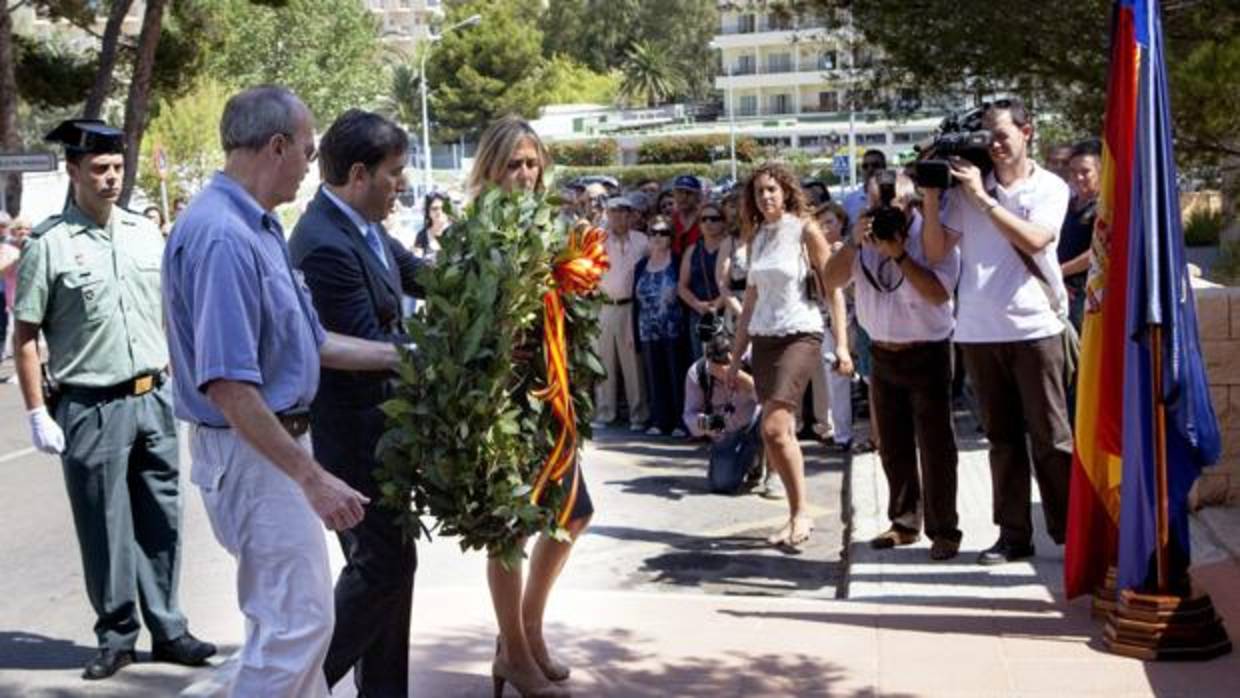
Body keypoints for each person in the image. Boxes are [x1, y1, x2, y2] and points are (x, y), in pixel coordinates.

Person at [163, 86, 403, 697]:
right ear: (276, 146)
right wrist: (311, 476)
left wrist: (411, 359)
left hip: (268, 449)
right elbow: (230, 386)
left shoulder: (257, 225)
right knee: (296, 628)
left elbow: (315, 342)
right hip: (256, 452)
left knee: (299, 626)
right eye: (306, 147)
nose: (309, 161)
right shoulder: (223, 236)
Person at [13, 119, 216, 681]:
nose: (110, 178)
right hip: (90, 405)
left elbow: (169, 311)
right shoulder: (49, 245)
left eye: (117, 168)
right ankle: (117, 633)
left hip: (153, 397)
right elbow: (25, 337)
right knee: (104, 525)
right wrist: (36, 412)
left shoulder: (143, 233)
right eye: (98, 169)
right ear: (74, 171)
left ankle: (169, 628)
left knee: (163, 517)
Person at [288, 109, 427, 698]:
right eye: (393, 174)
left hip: (383, 430)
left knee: (393, 571)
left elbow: (418, 273)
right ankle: (301, 685)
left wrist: (493, 284)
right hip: (354, 436)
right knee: (380, 570)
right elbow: (365, 341)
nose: (401, 184)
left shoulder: (365, 225)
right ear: (358, 174)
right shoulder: (323, 241)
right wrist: (449, 348)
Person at [922, 97, 1073, 566]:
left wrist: (983, 200)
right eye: (988, 137)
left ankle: (1071, 534)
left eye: (1003, 135)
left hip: (1035, 328)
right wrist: (932, 193)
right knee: (1003, 441)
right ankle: (1013, 536)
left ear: (1027, 132)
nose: (995, 146)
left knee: (1052, 437)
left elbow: (1034, 239)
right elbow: (934, 252)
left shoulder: (1049, 187)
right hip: (978, 331)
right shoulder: (967, 191)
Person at [467, 115, 577, 698]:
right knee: (507, 532)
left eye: (533, 163)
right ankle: (515, 652)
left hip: (549, 389)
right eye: (515, 163)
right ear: (492, 167)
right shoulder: (479, 229)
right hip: (501, 399)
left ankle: (524, 633)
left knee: (572, 513)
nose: (527, 174)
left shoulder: (548, 221)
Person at [824, 171, 963, 560]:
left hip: (928, 350)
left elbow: (938, 294)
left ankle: (944, 530)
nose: (884, 211)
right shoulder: (863, 239)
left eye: (893, 203)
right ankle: (904, 522)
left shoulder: (931, 236)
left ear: (913, 201)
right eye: (875, 204)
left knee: (937, 446)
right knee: (893, 445)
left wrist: (899, 253)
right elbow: (829, 282)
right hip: (882, 352)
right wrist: (854, 244)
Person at [728, 162, 832, 547]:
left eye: (772, 189)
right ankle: (794, 514)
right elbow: (750, 300)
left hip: (800, 332)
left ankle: (801, 512)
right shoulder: (757, 238)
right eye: (759, 192)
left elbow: (832, 283)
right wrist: (737, 358)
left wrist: (845, 345)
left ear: (786, 190)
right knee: (779, 435)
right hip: (764, 337)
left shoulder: (805, 230)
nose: (766, 197)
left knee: (773, 427)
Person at [594, 195, 650, 431]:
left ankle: (638, 415)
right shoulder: (598, 240)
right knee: (604, 362)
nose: (619, 216)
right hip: (605, 307)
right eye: (614, 212)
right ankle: (605, 413)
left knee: (633, 364)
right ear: (607, 214)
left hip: (632, 307)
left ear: (631, 215)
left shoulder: (642, 240)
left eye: (624, 212)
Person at [684, 331, 762, 494]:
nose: (722, 375)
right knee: (721, 484)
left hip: (755, 422)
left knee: (774, 423)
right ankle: (750, 462)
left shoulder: (753, 359)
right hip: (726, 431)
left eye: (726, 368)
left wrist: (749, 383)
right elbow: (689, 415)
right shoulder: (698, 373)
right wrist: (709, 423)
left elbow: (772, 400)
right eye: (716, 371)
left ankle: (770, 469)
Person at [633, 215, 687, 437]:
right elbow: (634, 303)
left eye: (663, 233)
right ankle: (658, 420)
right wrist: (633, 334)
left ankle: (679, 422)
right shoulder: (640, 265)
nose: (657, 237)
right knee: (653, 376)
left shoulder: (677, 261)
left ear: (671, 237)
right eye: (653, 232)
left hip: (673, 328)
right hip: (647, 328)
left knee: (676, 375)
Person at [1057, 138, 1101, 332]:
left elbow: (1099, 250)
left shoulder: (1106, 209)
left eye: (1085, 171)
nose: (1078, 177)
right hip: (1061, 290)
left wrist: (1059, 272)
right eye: (1074, 172)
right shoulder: (1067, 205)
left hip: (1087, 294)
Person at [678, 200, 727, 361]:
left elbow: (736, 282)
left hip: (727, 313)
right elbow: (682, 286)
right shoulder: (692, 250)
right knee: (701, 363)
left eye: (714, 218)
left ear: (723, 221)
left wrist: (717, 304)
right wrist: (698, 305)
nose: (708, 223)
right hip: (698, 315)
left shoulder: (730, 247)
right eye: (703, 219)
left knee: (726, 361)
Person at [843, 149, 887, 224]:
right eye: (865, 166)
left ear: (884, 168)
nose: (870, 169)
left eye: (875, 165)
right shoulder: (849, 201)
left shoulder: (895, 198)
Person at [671, 174, 705, 255]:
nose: (684, 197)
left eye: (689, 193)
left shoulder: (705, 218)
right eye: (680, 192)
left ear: (698, 196)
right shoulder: (670, 220)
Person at [414, 191, 451, 260]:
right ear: (428, 212)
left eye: (443, 208)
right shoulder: (421, 235)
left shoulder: (457, 232)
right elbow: (417, 262)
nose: (439, 211)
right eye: (435, 208)